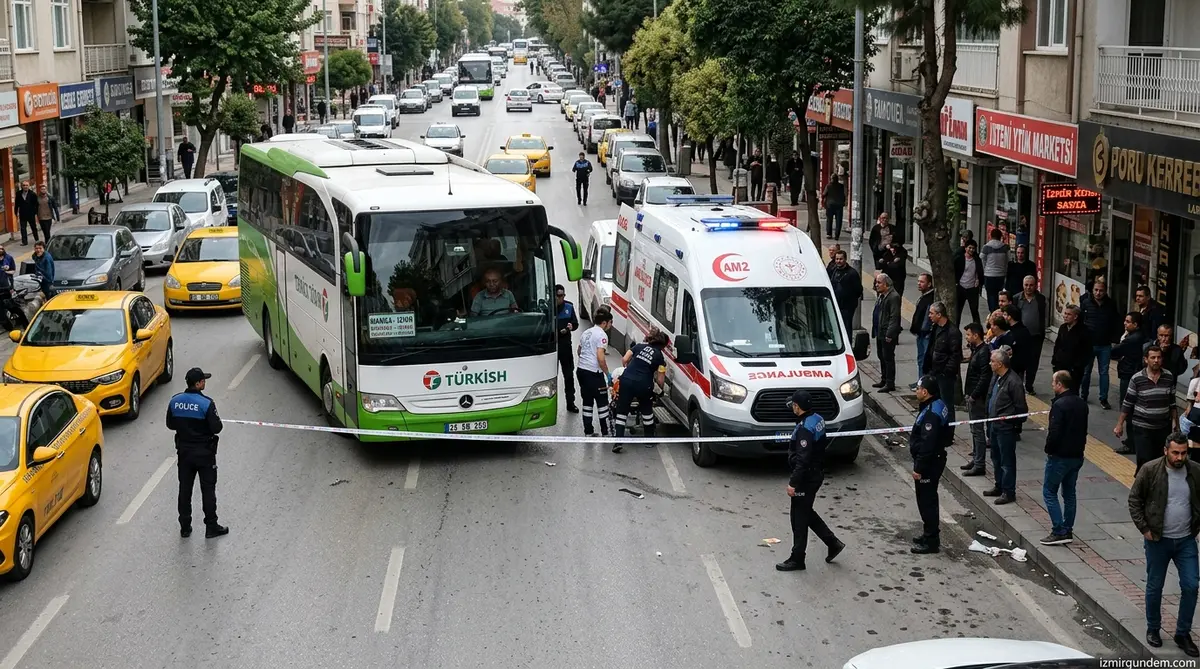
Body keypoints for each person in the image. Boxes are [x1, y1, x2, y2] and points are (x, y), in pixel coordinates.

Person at [1128, 433, 1200, 656]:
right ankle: (1153, 628)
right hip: (1158, 540)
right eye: (1175, 453)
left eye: (1183, 453)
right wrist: (1145, 529)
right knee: (1155, 586)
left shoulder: (1195, 470)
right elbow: (1134, 500)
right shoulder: (1150, 470)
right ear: (1165, 451)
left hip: (1186, 540)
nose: (1180, 457)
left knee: (1191, 585)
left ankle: (1182, 633)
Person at [776, 389, 845, 572]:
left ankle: (798, 558)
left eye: (793, 404)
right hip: (816, 473)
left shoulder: (805, 428)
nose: (792, 407)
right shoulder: (817, 419)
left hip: (807, 477)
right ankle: (832, 542)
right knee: (805, 511)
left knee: (798, 518)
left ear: (797, 407)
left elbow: (803, 459)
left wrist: (793, 483)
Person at [166, 368, 228, 539]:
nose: (205, 382)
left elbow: (170, 424)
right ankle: (211, 526)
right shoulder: (206, 403)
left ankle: (185, 527)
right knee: (208, 490)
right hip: (205, 454)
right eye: (203, 380)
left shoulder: (175, 401)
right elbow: (217, 428)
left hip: (184, 453)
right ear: (198, 383)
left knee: (185, 490)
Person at [1041, 371, 1088, 545]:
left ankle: (1058, 530)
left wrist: (1049, 449)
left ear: (1060, 384)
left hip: (1059, 456)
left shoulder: (1059, 405)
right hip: (1077, 455)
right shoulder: (1081, 404)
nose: (1052, 385)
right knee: (1069, 493)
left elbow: (1055, 432)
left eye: (1053, 382)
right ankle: (1068, 529)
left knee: (1049, 492)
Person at [1117, 345, 1178, 472]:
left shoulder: (1168, 377)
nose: (1156, 360)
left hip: (1162, 428)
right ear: (1146, 360)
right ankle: (1142, 489)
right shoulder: (1137, 379)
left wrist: (1175, 422)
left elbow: (1172, 403)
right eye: (1153, 357)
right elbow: (1128, 403)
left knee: (1161, 463)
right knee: (1144, 463)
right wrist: (1120, 424)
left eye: (1159, 357)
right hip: (1142, 428)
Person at [909, 375, 953, 554]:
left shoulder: (931, 415)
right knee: (928, 500)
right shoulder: (936, 405)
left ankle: (931, 540)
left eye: (918, 389)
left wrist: (919, 468)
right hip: (934, 459)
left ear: (925, 392)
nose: (916, 391)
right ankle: (928, 534)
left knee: (927, 502)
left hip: (930, 463)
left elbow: (928, 444)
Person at [611, 328, 668, 452]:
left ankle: (618, 441)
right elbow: (660, 380)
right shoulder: (660, 357)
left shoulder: (639, 346)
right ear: (662, 346)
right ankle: (648, 441)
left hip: (626, 381)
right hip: (644, 384)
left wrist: (630, 370)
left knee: (622, 411)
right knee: (647, 411)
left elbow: (625, 359)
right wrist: (660, 390)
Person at [985, 348, 1027, 505]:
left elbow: (1021, 409)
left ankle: (1009, 491)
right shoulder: (997, 377)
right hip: (994, 425)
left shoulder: (1013, 382)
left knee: (1007, 461)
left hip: (1005, 428)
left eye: (993, 361)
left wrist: (1009, 423)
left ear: (1000, 364)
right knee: (995, 457)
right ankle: (999, 485)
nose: (990, 363)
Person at [1111, 311, 1148, 454]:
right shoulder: (1138, 337)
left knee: (1127, 407)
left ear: (1136, 324)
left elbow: (1114, 351)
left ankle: (1131, 443)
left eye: (1128, 321)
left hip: (1128, 374)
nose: (1125, 324)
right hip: (1130, 372)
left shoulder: (1132, 339)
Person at [1080, 280, 1121, 408]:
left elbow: (1116, 322)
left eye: (1101, 290)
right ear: (1092, 290)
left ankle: (1103, 398)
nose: (1098, 293)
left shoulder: (1111, 304)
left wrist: (1114, 340)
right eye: (1096, 290)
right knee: (1086, 371)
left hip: (1105, 344)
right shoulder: (1086, 303)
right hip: (1088, 344)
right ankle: (1083, 395)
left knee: (1104, 372)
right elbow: (1081, 322)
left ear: (1105, 291)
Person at [923, 301, 961, 420]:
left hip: (944, 375)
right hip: (934, 371)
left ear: (939, 315)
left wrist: (946, 371)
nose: (929, 316)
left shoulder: (953, 332)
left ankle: (949, 431)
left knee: (946, 404)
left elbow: (955, 356)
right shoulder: (935, 328)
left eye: (931, 313)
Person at [577, 308, 612, 436]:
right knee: (602, 403)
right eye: (610, 323)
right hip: (594, 373)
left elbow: (579, 351)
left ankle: (588, 431)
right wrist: (608, 374)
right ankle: (605, 431)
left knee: (587, 402)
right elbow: (600, 358)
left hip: (581, 371)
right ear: (604, 323)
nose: (610, 325)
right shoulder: (602, 335)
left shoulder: (586, 332)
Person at [962, 323, 991, 477]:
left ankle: (980, 463)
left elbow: (984, 377)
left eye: (968, 335)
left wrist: (974, 395)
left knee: (978, 431)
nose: (966, 337)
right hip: (973, 395)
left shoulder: (983, 352)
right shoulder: (977, 350)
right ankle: (976, 458)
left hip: (978, 398)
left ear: (976, 335)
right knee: (974, 430)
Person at [1014, 275, 1048, 394]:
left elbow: (1043, 316)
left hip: (1036, 337)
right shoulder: (1016, 299)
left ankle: (1029, 385)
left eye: (1031, 285)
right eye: (1026, 285)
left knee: (1033, 362)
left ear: (1036, 285)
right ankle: (1018, 386)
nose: (1028, 287)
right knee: (1020, 362)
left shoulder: (1040, 299)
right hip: (1021, 337)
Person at [1051, 304, 1091, 394]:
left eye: (1068, 314)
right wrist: (1055, 361)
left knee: (1072, 392)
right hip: (1060, 366)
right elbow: (1057, 345)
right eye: (1065, 313)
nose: (1065, 316)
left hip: (1074, 370)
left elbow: (1087, 352)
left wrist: (1077, 367)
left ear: (1075, 316)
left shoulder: (1083, 331)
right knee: (1058, 391)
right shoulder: (1063, 328)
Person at [872, 273, 901, 392]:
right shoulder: (882, 295)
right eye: (876, 282)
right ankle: (884, 379)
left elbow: (894, 317)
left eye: (879, 283)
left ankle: (890, 382)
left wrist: (890, 334)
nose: (876, 285)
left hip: (886, 333)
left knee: (888, 358)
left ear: (886, 284)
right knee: (881, 356)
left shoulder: (893, 297)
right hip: (880, 331)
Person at [555, 285, 579, 413]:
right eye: (559, 296)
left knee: (569, 376)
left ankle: (571, 402)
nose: (561, 298)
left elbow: (575, 324)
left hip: (565, 347)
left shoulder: (568, 307)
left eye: (563, 295)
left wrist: (571, 327)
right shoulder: (547, 308)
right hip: (551, 347)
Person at [910, 273, 936, 389]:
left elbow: (927, 318)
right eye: (918, 281)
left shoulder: (930, 298)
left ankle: (924, 384)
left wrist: (924, 330)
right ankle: (920, 381)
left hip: (925, 334)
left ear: (929, 284)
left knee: (925, 360)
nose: (919, 284)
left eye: (922, 282)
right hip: (920, 334)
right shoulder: (923, 297)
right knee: (920, 359)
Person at [827, 249, 861, 331]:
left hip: (847, 307)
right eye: (837, 259)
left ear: (845, 259)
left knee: (846, 328)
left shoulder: (852, 273)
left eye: (841, 259)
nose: (838, 261)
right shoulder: (833, 270)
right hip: (835, 304)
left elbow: (859, 290)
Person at [955, 240, 984, 325]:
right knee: (958, 311)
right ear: (965, 248)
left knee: (974, 310)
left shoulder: (977, 259)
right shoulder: (959, 258)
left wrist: (978, 280)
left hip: (972, 288)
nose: (971, 250)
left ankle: (978, 330)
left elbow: (980, 271)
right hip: (961, 287)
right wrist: (956, 283)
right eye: (969, 248)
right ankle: (955, 330)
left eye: (973, 248)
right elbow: (955, 271)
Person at [981, 227, 1009, 312]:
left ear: (991, 236)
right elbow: (1008, 260)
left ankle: (992, 312)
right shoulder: (1005, 247)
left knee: (990, 295)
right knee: (999, 295)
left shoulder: (986, 247)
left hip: (989, 275)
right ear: (1000, 236)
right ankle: (998, 310)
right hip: (1001, 275)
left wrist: (985, 269)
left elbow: (982, 258)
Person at [823, 175, 846, 240]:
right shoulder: (841, 186)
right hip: (839, 205)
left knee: (829, 220)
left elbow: (824, 194)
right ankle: (837, 235)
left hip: (830, 205)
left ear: (831, 179)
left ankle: (829, 234)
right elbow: (843, 195)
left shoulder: (828, 186)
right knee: (838, 221)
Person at [15, 181, 37, 246]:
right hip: (22, 214)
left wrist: (35, 213)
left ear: (29, 186)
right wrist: (16, 213)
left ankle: (36, 239)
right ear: (22, 186)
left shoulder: (32, 194)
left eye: (26, 185)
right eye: (24, 185)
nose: (25, 186)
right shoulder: (18, 193)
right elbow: (16, 204)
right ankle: (24, 242)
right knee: (23, 228)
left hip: (31, 214)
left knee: (33, 227)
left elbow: (36, 204)